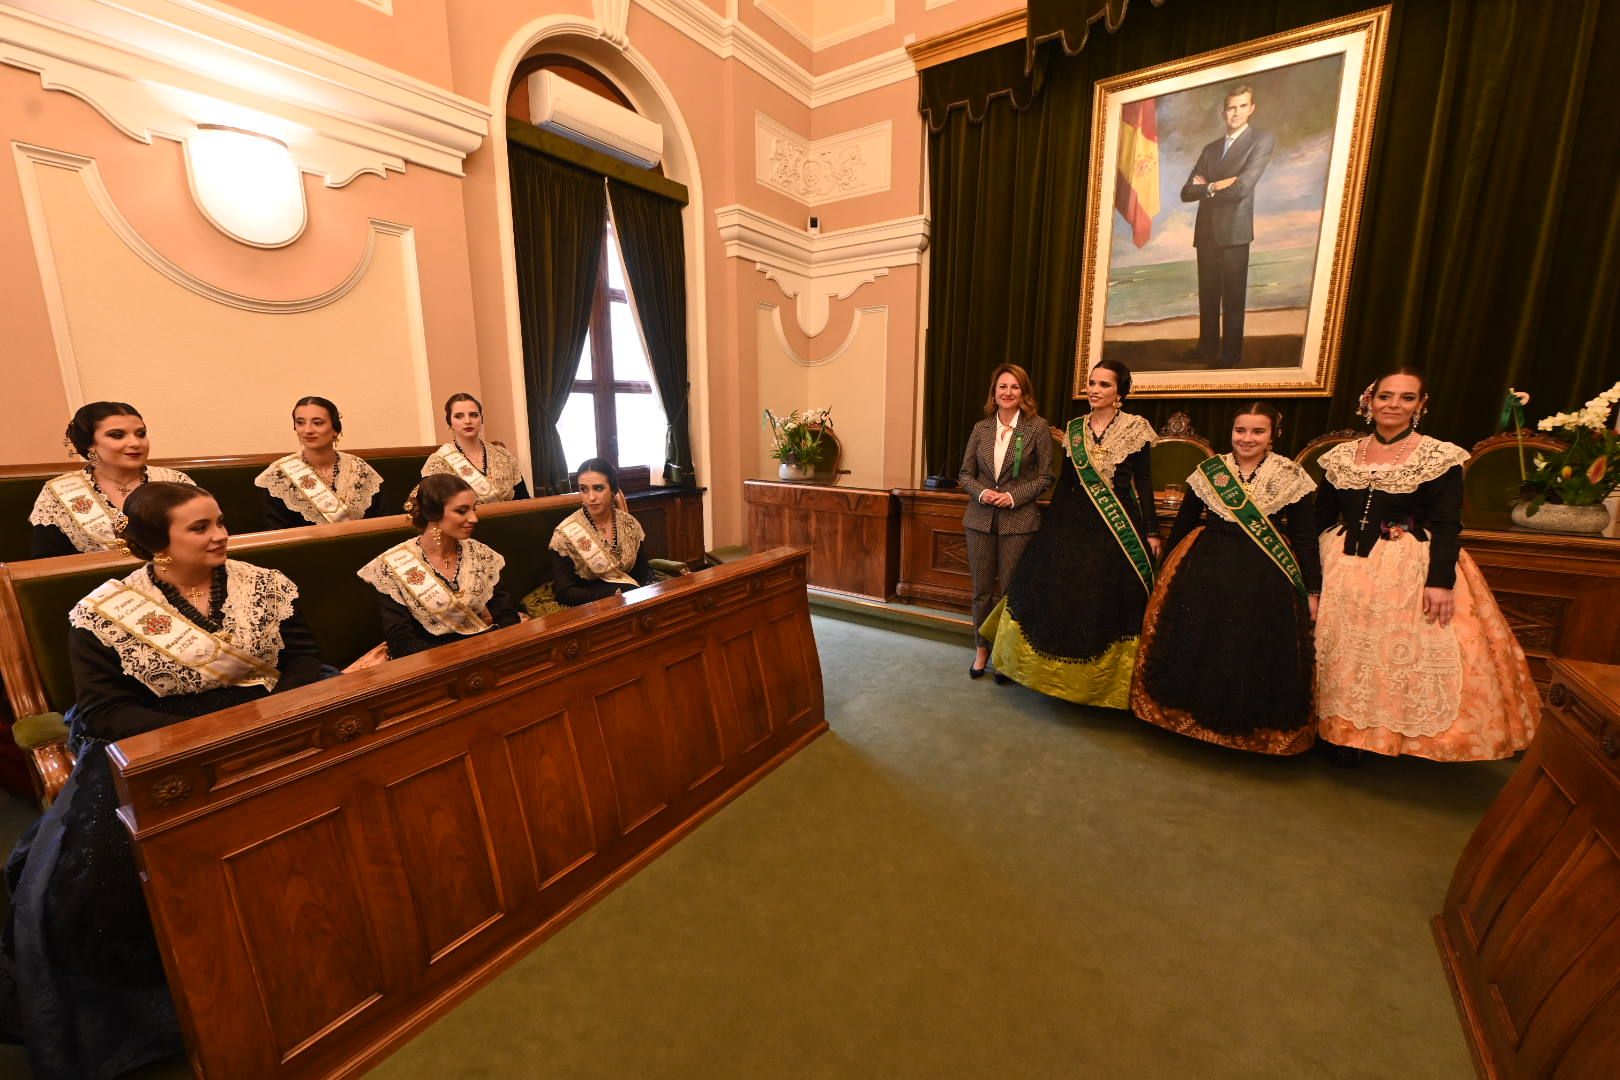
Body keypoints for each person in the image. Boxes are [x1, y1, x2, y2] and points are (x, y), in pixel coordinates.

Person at [0, 483, 322, 1079]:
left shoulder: (264, 584)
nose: (220, 533)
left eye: (220, 521)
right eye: (200, 528)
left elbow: (302, 658)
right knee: (100, 885)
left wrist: (274, 712)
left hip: (266, 722)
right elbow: (101, 710)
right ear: (158, 545)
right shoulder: (105, 612)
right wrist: (208, 732)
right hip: (155, 745)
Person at [1314, 369, 1539, 763]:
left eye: (1405, 398)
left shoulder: (1438, 455)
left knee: (1390, 653)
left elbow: (1449, 523)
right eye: (1385, 396)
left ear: (1421, 405)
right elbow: (1321, 517)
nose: (1393, 405)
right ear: (1370, 401)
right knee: (1337, 646)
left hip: (1406, 562)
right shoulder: (1341, 456)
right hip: (1340, 560)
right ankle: (1330, 729)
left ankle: (1379, 739)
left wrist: (1440, 581)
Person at [1130, 403, 1321, 754]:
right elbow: (1185, 523)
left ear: (1273, 436)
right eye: (1240, 430)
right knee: (1198, 639)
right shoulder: (1210, 472)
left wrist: (1312, 588)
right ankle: (1188, 719)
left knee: (1249, 645)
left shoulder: (1290, 476)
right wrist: (1164, 573)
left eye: (1257, 431)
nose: (1247, 438)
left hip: (1264, 575)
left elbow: (1306, 538)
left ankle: (1241, 731)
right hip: (1207, 566)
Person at [981, 359, 1159, 706]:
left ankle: (1100, 685)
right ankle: (1037, 672)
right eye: (1092, 383)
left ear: (1120, 392)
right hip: (1071, 521)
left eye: (1104, 384)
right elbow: (1068, 483)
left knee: (1102, 599)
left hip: (1115, 525)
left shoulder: (1137, 429)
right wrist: (1052, 527)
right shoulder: (1075, 429)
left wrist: (1151, 530)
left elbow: (1145, 483)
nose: (1095, 389)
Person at [957, 364, 1054, 678]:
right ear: (994, 393)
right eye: (1002, 387)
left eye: (1015, 387)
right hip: (979, 520)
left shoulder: (1037, 427)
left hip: (1019, 521)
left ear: (1023, 393)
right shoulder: (980, 428)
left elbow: (1046, 476)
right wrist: (982, 493)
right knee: (982, 591)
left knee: (1010, 591)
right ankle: (982, 650)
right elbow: (964, 475)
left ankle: (1005, 655)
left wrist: (1013, 497)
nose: (1008, 392)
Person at [357, 473, 519, 658]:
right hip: (429, 665)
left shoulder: (481, 554)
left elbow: (506, 616)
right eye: (461, 511)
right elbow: (401, 642)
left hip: (485, 654)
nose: (474, 518)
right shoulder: (391, 566)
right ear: (433, 513)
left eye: (474, 509)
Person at [1178, 84, 1276, 369]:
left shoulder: (1261, 140)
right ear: (1223, 111)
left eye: (1242, 106)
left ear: (1251, 108)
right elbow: (1186, 192)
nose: (1236, 112)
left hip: (1235, 232)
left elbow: (1242, 189)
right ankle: (1206, 348)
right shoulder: (1210, 149)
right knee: (1208, 295)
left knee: (1232, 298)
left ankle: (1230, 354)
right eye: (1231, 107)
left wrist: (1205, 187)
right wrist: (1215, 185)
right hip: (1206, 231)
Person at [28, 402, 195, 556]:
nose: (135, 443)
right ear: (90, 444)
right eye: (117, 435)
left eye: (141, 434)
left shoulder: (174, 480)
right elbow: (48, 564)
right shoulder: (59, 493)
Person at [254, 396, 385, 529]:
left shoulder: (358, 469)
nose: (308, 430)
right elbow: (276, 534)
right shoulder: (278, 476)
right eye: (300, 423)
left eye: (318, 423)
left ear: (335, 429)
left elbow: (382, 521)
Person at [550, 458, 658, 606]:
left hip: (630, 600)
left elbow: (642, 571)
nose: (591, 497)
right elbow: (564, 592)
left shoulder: (629, 524)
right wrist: (612, 596)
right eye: (584, 489)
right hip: (591, 607)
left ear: (613, 490)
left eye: (598, 488)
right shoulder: (564, 536)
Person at [420, 393, 530, 503]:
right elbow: (431, 509)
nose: (468, 421)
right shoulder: (438, 462)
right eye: (459, 416)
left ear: (481, 419)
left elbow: (524, 501)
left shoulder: (503, 455)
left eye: (473, 415)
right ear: (450, 422)